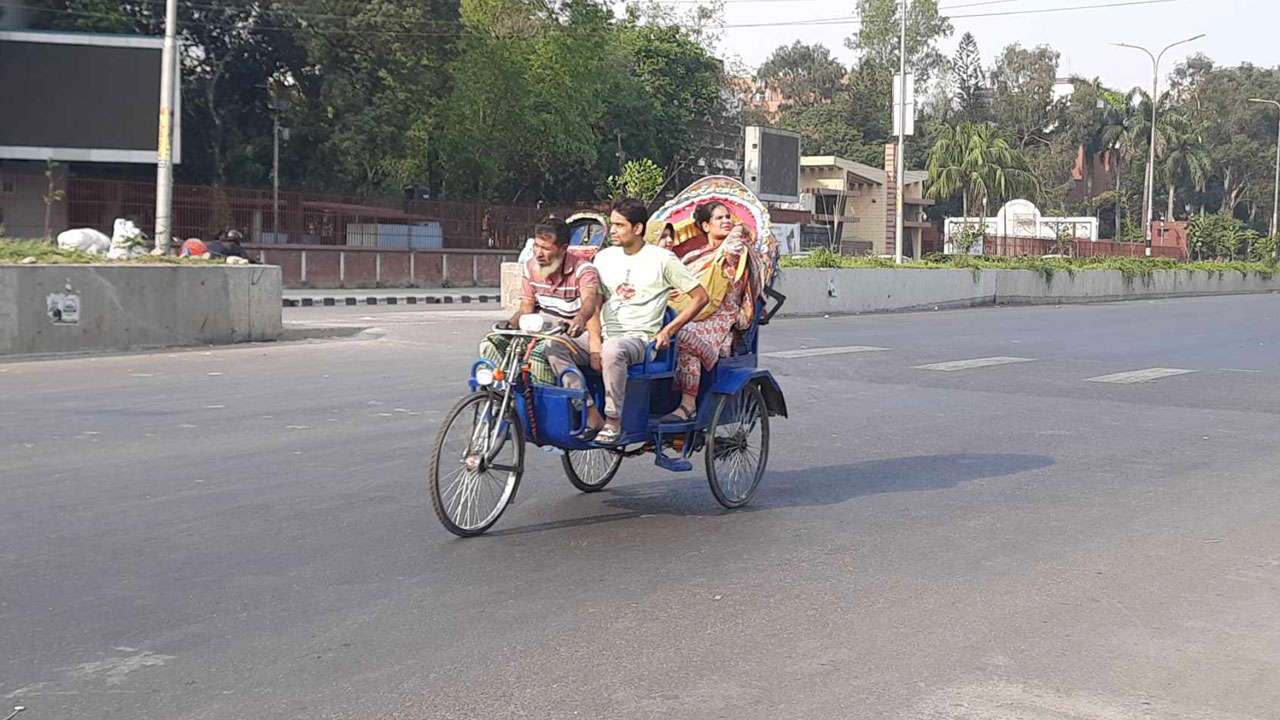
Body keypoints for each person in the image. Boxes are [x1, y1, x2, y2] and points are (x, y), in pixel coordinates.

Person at [593, 198, 709, 444]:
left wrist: (669, 329)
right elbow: (595, 302)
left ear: (637, 228)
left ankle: (613, 421)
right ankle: (588, 412)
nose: (612, 230)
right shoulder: (603, 258)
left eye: (619, 225)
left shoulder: (662, 259)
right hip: (605, 335)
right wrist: (592, 338)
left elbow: (701, 297)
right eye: (611, 224)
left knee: (612, 349)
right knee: (553, 345)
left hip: (639, 341)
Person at [481, 217, 605, 434]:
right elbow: (526, 306)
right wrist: (509, 325)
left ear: (563, 249)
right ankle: (501, 401)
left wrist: (582, 324)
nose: (539, 253)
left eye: (546, 248)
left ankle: (565, 412)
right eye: (536, 246)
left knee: (543, 354)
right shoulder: (531, 268)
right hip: (540, 329)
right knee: (491, 343)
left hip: (575, 333)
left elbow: (590, 304)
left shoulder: (584, 270)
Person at [658, 201, 763, 423]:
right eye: (719, 218)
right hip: (687, 314)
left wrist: (737, 226)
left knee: (681, 337)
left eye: (728, 217)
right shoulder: (692, 257)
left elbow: (738, 237)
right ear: (705, 226)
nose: (726, 221)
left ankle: (688, 406)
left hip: (720, 323)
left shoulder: (734, 252)